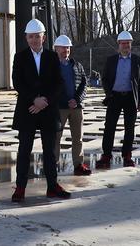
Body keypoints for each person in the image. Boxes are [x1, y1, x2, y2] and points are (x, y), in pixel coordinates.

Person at [11, 19, 71, 202]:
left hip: (47, 109)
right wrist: (34, 100)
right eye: (31, 37)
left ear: (43, 37)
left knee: (50, 152)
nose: (35, 40)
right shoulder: (20, 57)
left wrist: (45, 100)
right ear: (27, 39)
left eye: (38, 36)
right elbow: (17, 82)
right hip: (28, 109)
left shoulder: (52, 57)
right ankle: (20, 188)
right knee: (24, 151)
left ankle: (52, 186)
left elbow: (58, 82)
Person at [95, 31, 140, 169]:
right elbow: (105, 79)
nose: (125, 46)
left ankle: (127, 155)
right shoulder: (111, 60)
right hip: (114, 97)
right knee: (109, 127)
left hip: (130, 97)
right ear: (118, 44)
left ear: (131, 45)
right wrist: (109, 93)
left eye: (128, 44)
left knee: (129, 128)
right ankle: (106, 155)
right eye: (123, 44)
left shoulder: (137, 60)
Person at [52, 35, 91, 176]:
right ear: (56, 49)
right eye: (62, 47)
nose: (65, 50)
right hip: (59, 108)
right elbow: (51, 87)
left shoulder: (77, 65)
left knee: (78, 138)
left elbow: (84, 84)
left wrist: (77, 99)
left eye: (67, 47)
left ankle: (78, 164)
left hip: (76, 108)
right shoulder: (51, 66)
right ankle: (53, 164)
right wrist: (62, 100)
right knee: (55, 137)